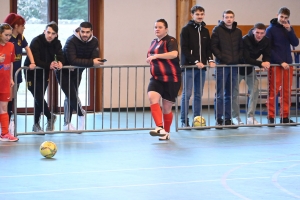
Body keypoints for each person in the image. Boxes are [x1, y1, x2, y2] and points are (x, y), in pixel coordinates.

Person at [56, 21, 102, 131]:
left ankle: (66, 124)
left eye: (87, 32)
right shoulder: (71, 40)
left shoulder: (94, 41)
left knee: (70, 97)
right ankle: (81, 112)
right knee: (72, 95)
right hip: (64, 71)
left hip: (78, 72)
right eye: (83, 32)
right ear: (79, 31)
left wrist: (85, 62)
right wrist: (90, 62)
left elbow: (95, 58)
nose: (85, 34)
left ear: (91, 32)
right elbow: (73, 60)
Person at [24, 21, 64, 132]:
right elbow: (36, 59)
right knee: (38, 97)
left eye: (53, 33)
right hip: (31, 72)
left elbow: (60, 55)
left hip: (44, 73)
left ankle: (36, 124)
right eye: (48, 32)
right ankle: (50, 116)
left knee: (39, 98)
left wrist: (60, 62)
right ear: (44, 31)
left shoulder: (57, 43)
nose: (50, 35)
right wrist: (49, 65)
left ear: (56, 35)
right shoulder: (36, 41)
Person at [180, 5, 215, 127]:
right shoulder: (186, 29)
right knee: (187, 93)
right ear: (192, 15)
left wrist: (210, 60)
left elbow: (208, 48)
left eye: (202, 14)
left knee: (198, 94)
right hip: (189, 67)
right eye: (197, 14)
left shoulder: (205, 30)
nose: (199, 16)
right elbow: (184, 49)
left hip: (202, 68)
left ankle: (197, 119)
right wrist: (195, 61)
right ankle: (184, 120)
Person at [146, 19, 181, 140]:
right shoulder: (153, 42)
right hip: (156, 78)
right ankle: (159, 127)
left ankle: (166, 132)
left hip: (171, 78)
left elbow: (173, 54)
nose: (157, 29)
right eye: (155, 27)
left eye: (160, 27)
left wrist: (156, 56)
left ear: (166, 29)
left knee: (166, 108)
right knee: (152, 97)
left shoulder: (170, 40)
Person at [232, 23, 271, 125]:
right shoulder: (245, 40)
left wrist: (265, 63)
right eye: (257, 32)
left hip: (250, 69)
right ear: (253, 31)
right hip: (238, 68)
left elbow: (267, 54)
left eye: (262, 33)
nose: (259, 35)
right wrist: (260, 63)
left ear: (265, 33)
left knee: (255, 91)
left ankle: (250, 117)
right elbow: (246, 58)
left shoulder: (266, 41)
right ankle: (236, 117)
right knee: (234, 93)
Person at [266, 7, 299, 126]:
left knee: (287, 91)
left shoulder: (288, 28)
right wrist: (280, 62)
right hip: (276, 65)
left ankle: (285, 116)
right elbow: (268, 49)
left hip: (288, 64)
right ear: (277, 15)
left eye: (286, 18)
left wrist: (289, 30)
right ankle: (271, 117)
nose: (283, 19)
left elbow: (295, 43)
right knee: (273, 91)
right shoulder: (270, 30)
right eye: (282, 17)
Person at [3, 13, 36, 133]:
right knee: (5, 101)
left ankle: (10, 124)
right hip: (5, 74)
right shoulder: (6, 38)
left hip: (16, 73)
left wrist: (32, 62)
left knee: (11, 100)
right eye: (22, 25)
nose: (24, 28)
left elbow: (27, 49)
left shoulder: (21, 38)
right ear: (16, 26)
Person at [211, 9, 243, 128]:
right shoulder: (217, 30)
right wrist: (222, 58)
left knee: (230, 94)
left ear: (233, 18)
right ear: (223, 18)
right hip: (222, 66)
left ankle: (228, 118)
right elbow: (213, 46)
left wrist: (238, 58)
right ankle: (219, 118)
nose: (229, 19)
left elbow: (241, 47)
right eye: (226, 17)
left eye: (231, 17)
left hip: (234, 66)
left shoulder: (238, 32)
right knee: (219, 94)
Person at [0, 23, 18, 141]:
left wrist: (11, 78)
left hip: (5, 81)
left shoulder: (11, 46)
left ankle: (5, 133)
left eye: (10, 35)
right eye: (6, 35)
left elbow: (11, 63)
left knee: (4, 107)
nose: (8, 37)